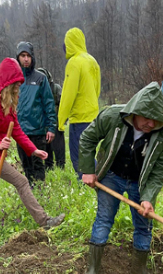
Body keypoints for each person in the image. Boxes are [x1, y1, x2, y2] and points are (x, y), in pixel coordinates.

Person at [78, 82, 163, 274]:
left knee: (144, 225)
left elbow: (160, 167)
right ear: (135, 111)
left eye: (156, 121)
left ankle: (139, 269)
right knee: (104, 220)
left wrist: (148, 196)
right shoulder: (113, 116)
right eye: (147, 118)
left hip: (141, 182)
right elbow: (87, 138)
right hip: (111, 175)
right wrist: (88, 170)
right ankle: (93, 269)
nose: (150, 124)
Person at [0, 57, 65, 232]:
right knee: (21, 181)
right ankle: (44, 221)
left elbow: (17, 130)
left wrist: (34, 150)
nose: (19, 88)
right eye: (17, 85)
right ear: (8, 83)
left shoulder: (8, 102)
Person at [58, 27, 100, 181]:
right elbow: (97, 89)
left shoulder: (74, 62)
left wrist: (60, 120)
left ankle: (90, 185)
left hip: (79, 119)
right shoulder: (92, 61)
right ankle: (99, 182)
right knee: (89, 153)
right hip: (93, 116)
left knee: (80, 158)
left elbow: (68, 94)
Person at [14, 42, 56, 186]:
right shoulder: (14, 79)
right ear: (18, 57)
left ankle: (40, 196)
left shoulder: (40, 78)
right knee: (26, 167)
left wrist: (51, 127)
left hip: (38, 130)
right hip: (20, 132)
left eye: (28, 56)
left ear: (32, 58)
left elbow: (49, 103)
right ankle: (30, 195)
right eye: (23, 56)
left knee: (38, 166)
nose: (26, 59)